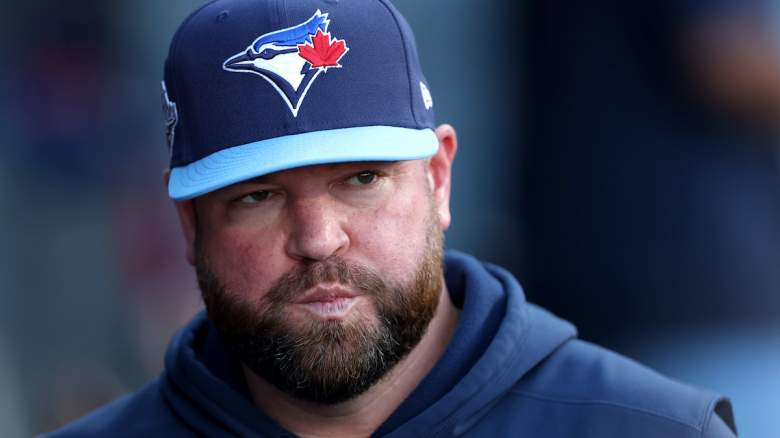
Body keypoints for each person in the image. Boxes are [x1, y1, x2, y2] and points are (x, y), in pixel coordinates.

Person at [47, 0, 738, 436]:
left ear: (438, 178)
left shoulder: (652, 429)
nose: (317, 240)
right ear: (190, 226)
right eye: (256, 197)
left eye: (362, 179)